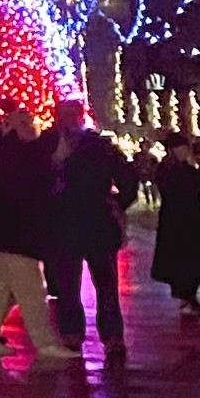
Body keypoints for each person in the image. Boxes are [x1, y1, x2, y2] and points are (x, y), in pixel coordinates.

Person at [0, 105, 68, 367]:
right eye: (23, 124)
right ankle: (45, 343)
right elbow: (28, 190)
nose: (30, 128)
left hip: (6, 233)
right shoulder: (16, 155)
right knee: (32, 289)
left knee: (1, 287)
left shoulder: (5, 153)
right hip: (16, 234)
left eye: (30, 122)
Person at [43, 99, 138, 359]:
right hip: (67, 225)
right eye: (64, 115)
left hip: (94, 223)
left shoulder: (98, 146)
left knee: (105, 285)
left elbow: (127, 177)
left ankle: (110, 336)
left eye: (72, 115)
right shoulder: (49, 144)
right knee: (68, 287)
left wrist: (117, 203)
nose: (68, 121)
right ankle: (74, 334)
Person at [146, 134, 200, 313]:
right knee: (188, 259)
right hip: (186, 220)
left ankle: (186, 297)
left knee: (183, 260)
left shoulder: (169, 169)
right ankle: (188, 298)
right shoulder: (177, 170)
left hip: (178, 220)